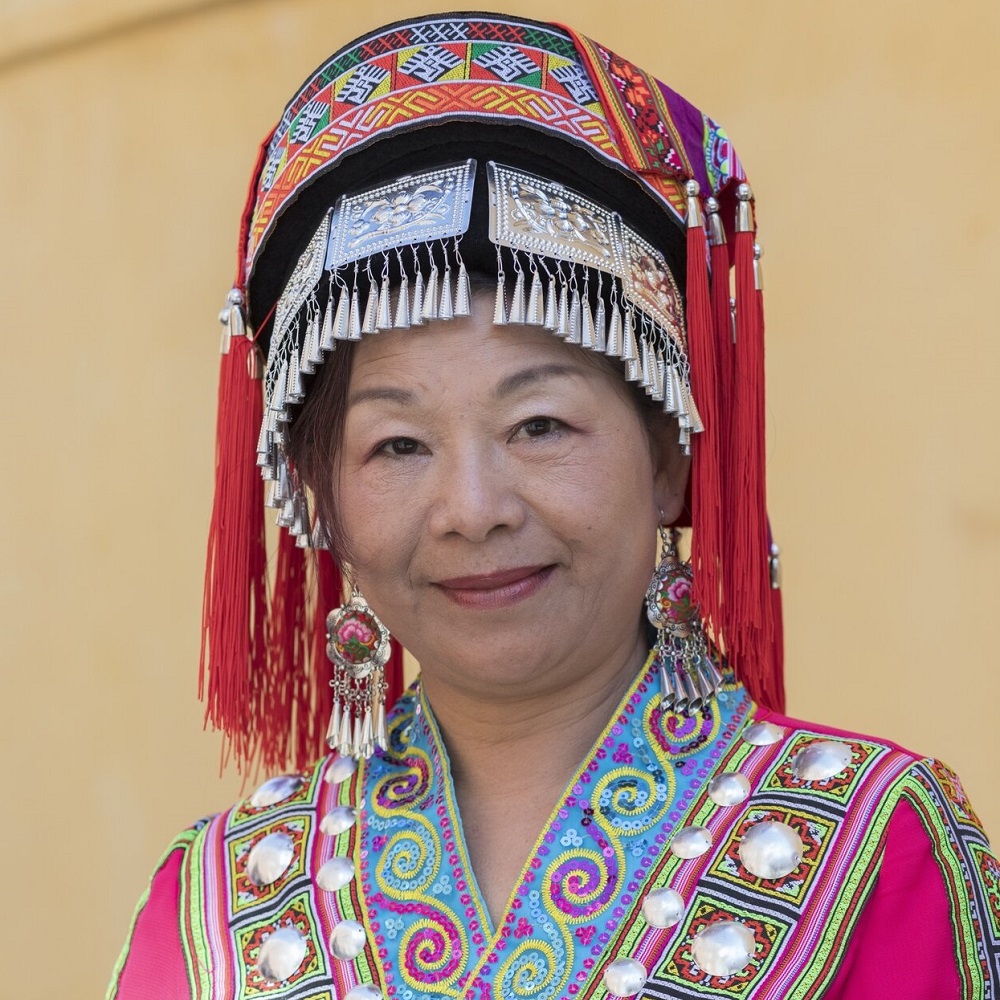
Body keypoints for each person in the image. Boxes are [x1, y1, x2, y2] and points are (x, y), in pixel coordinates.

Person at [107, 12, 999, 999]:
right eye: (396, 444)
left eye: (538, 425)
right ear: (323, 501)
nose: (472, 508)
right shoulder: (215, 909)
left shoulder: (875, 852)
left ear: (666, 460)